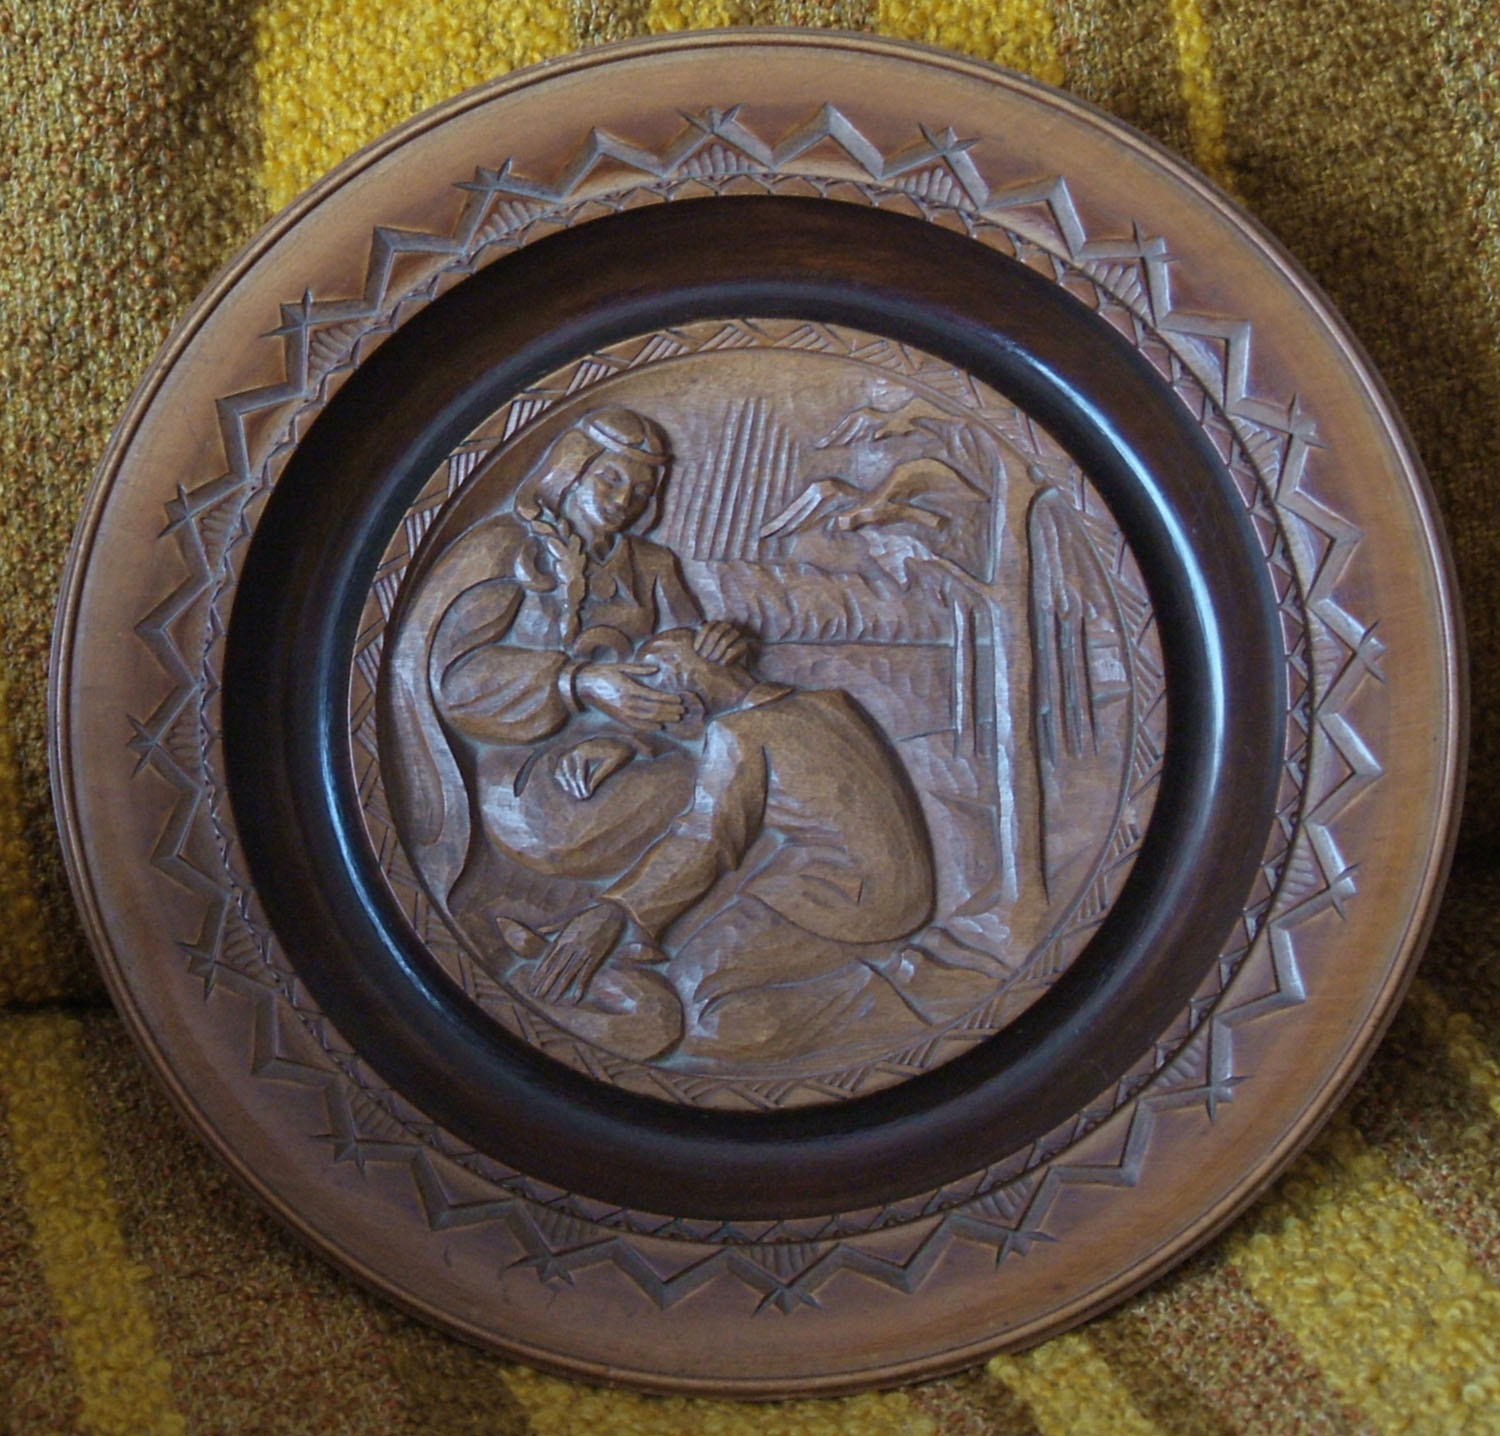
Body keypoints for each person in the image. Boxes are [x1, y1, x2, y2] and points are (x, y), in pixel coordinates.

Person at [526, 628, 944, 1065]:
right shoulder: (829, 703)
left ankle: (883, 998)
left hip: (842, 896)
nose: (660, 718)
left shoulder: (739, 733)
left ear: (687, 692)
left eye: (660, 698)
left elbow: (705, 840)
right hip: (907, 890)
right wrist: (624, 742)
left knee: (696, 1004)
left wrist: (616, 910)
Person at [381, 407, 718, 933]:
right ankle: (583, 925)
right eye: (610, 478)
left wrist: (635, 732)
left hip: (632, 756)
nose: (623, 500)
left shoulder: (653, 567)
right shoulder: (507, 550)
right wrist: (576, 684)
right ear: (572, 469)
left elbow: (691, 683)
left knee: (723, 779)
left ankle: (608, 929)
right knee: (705, 791)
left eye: (641, 491)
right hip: (525, 777)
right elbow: (457, 683)